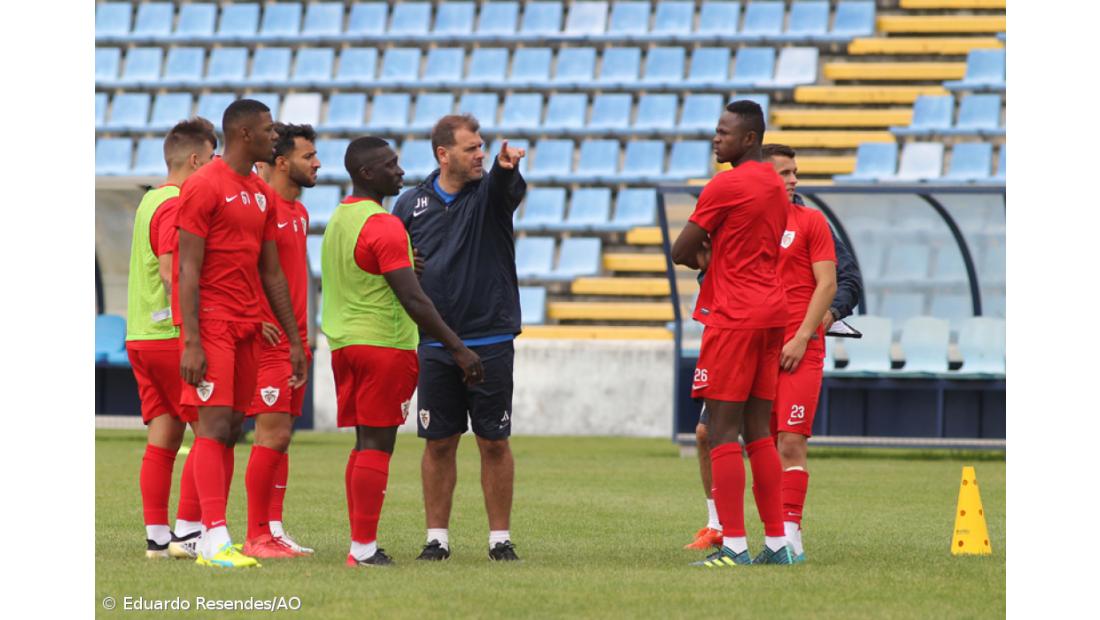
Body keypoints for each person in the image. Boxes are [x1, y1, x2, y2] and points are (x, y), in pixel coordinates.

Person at [684, 146, 864, 552]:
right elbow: (712, 270)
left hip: (794, 343)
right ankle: (720, 525)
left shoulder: (811, 222)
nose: (792, 180)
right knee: (708, 433)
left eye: (794, 172)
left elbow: (841, 280)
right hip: (744, 338)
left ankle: (784, 537)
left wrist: (818, 323)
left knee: (782, 441)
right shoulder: (740, 219)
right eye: (784, 173)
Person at [322, 137, 483, 567]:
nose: (401, 171)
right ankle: (363, 548)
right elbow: (415, 301)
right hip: (382, 344)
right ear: (368, 174)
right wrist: (458, 349)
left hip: (344, 342)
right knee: (378, 445)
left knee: (362, 444)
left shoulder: (340, 218)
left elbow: (365, 270)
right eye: (391, 165)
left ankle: (360, 543)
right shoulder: (384, 224)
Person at [176, 99, 307, 569]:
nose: (276, 138)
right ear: (245, 134)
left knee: (232, 427)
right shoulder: (204, 185)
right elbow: (187, 268)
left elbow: (271, 272)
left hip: (250, 325)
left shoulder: (259, 191)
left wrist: (293, 340)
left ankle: (215, 534)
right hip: (211, 322)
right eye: (269, 131)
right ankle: (211, 537)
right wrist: (190, 338)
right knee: (212, 424)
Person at [391, 114, 527, 562]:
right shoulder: (410, 204)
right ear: (443, 154)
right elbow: (397, 267)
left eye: (482, 146)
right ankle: (437, 538)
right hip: (433, 343)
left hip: (489, 337)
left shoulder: (489, 193)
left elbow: (508, 191)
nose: (481, 155)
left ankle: (499, 539)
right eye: (471, 149)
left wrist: (509, 170)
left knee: (493, 441)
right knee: (439, 441)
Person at [671, 100, 792, 567]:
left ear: (749, 139)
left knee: (721, 432)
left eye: (724, 132)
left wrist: (708, 253)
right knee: (759, 432)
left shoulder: (726, 184)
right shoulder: (772, 183)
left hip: (734, 315)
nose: (715, 138)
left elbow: (682, 250)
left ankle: (735, 545)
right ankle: (778, 543)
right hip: (771, 311)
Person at [124, 117, 215, 558]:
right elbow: (169, 269)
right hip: (168, 336)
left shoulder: (149, 200)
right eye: (212, 159)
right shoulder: (177, 202)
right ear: (196, 159)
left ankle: (157, 538)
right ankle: (188, 531)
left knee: (163, 437)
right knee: (209, 429)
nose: (215, 168)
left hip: (140, 334)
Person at [242, 123, 320, 559]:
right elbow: (237, 264)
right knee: (268, 437)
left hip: (296, 342)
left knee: (283, 436)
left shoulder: (300, 214)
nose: (317, 162)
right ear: (281, 162)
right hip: (268, 342)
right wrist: (253, 316)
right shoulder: (260, 206)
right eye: (309, 156)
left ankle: (273, 529)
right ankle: (255, 535)